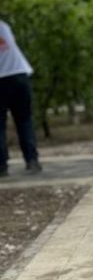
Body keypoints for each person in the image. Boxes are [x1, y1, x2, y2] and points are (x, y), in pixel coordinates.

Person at [0, 19, 41, 176]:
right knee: (24, 120)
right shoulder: (3, 26)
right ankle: (32, 160)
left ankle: (1, 166)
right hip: (18, 75)